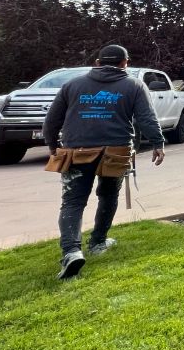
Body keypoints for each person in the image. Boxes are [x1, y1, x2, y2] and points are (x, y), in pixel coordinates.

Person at [43, 44, 166, 280]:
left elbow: (52, 120)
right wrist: (157, 143)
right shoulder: (134, 85)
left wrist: (52, 145)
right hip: (116, 151)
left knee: (73, 202)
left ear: (97, 63)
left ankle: (71, 252)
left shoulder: (72, 85)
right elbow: (146, 118)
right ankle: (98, 242)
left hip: (77, 151)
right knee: (108, 195)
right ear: (125, 63)